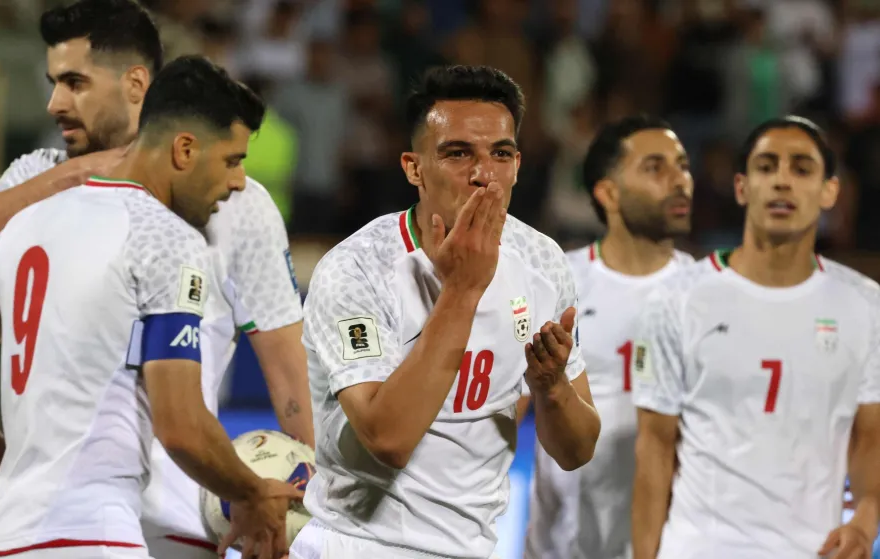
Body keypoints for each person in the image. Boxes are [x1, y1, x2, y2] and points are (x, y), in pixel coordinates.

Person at [0, 1, 313, 557]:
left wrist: (289, 496)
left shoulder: (237, 200)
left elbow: (285, 366)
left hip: (173, 510)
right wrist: (74, 175)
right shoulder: (41, 183)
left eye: (75, 82)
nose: (55, 102)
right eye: (54, 82)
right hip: (93, 519)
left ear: (136, 84)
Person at [289, 64, 601, 559]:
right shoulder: (357, 269)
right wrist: (464, 289)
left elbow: (577, 450)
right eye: (458, 153)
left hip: (472, 548)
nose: (483, 174)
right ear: (414, 168)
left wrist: (552, 388)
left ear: (518, 165)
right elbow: (387, 438)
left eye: (500, 154)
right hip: (358, 543)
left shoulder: (541, 262)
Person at [631, 116, 880, 559]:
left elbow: (869, 437)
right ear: (742, 187)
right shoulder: (676, 299)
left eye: (801, 169)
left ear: (830, 191)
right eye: (767, 167)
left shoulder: (865, 305)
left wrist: (866, 516)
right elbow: (654, 451)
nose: (782, 181)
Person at [524, 115, 694, 559]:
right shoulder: (556, 283)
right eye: (655, 168)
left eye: (683, 165)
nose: (680, 181)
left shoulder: (710, 296)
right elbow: (504, 411)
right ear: (608, 193)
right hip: (564, 545)